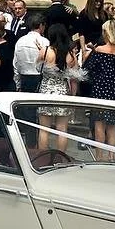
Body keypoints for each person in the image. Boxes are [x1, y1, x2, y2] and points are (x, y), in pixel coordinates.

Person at [80, 21, 115, 150]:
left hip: (100, 89)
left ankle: (100, 154)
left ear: (106, 33)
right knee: (112, 125)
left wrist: (87, 55)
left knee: (99, 124)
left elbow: (88, 68)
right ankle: (111, 155)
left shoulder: (100, 50)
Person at [35, 23, 75, 151]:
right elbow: (75, 76)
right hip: (63, 91)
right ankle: (60, 158)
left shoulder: (46, 50)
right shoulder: (70, 54)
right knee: (62, 129)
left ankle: (43, 157)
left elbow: (37, 68)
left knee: (44, 129)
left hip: (46, 90)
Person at [12, 12, 48, 92]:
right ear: (41, 25)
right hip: (39, 77)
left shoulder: (21, 40)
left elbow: (15, 63)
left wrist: (17, 83)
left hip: (24, 77)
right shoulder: (44, 41)